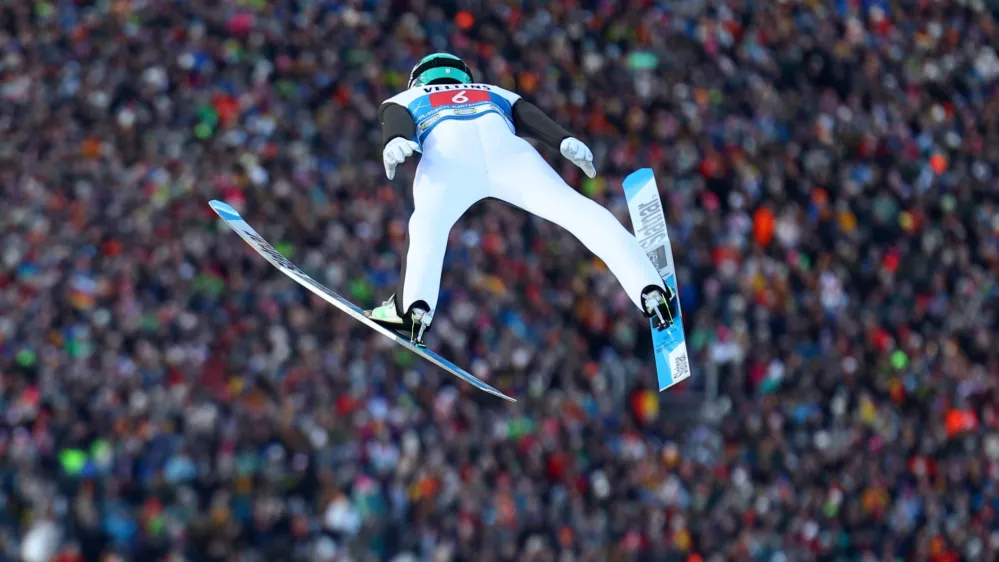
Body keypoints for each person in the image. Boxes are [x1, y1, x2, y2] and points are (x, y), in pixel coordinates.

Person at [364, 53, 678, 346]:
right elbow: (525, 114)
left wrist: (394, 140)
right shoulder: (489, 88)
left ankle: (414, 310)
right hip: (511, 158)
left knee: (427, 229)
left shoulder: (408, 96)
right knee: (580, 213)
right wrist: (563, 139)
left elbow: (396, 117)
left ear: (418, 79)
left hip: (447, 161)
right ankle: (651, 291)